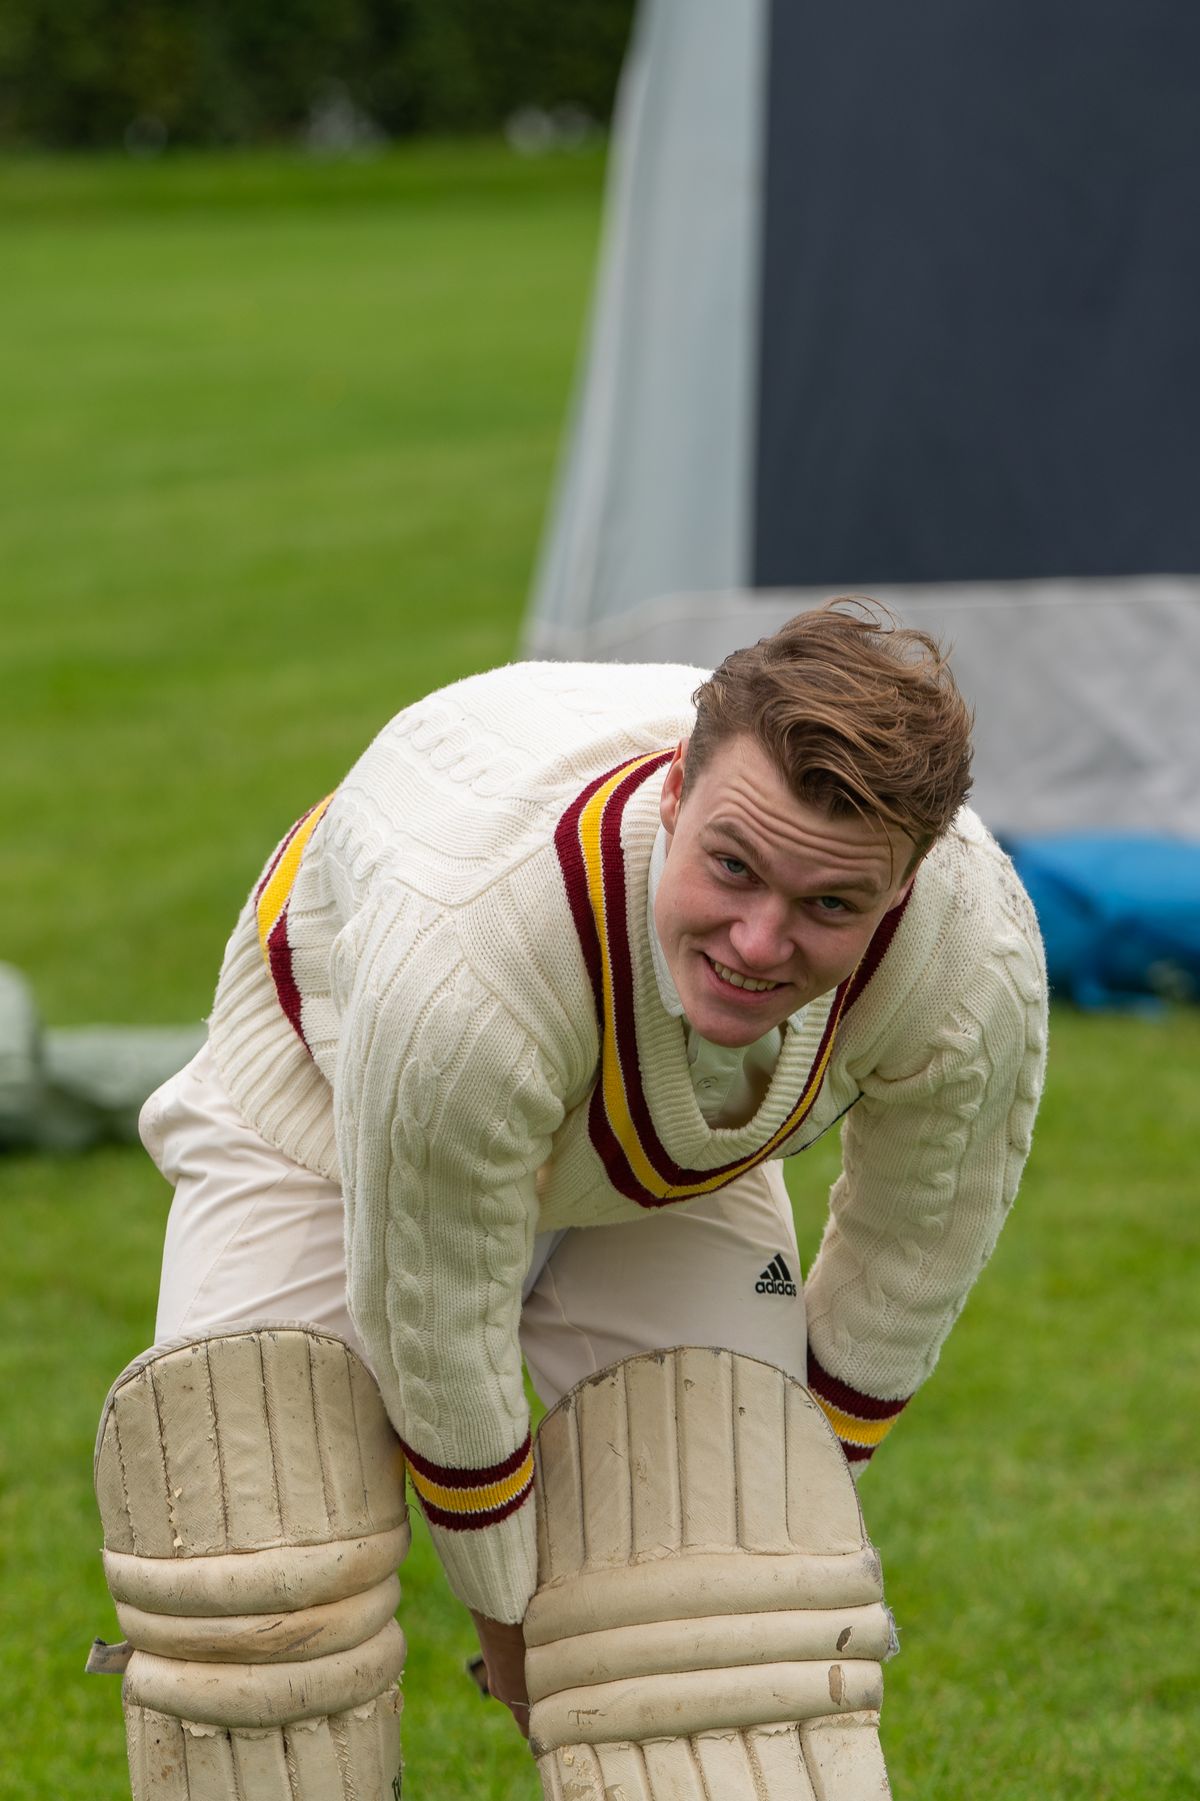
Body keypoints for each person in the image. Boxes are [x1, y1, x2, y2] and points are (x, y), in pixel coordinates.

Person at [97, 600, 1046, 1787]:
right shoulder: (466, 964)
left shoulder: (973, 957)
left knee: (716, 1626)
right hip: (333, 1095)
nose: (760, 941)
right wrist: (514, 1631)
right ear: (674, 793)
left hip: (669, 1157)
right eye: (734, 868)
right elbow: (438, 1323)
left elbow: (917, 1250)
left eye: (829, 906)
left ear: (906, 881)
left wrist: (772, 1516)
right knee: (255, 1594)